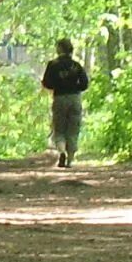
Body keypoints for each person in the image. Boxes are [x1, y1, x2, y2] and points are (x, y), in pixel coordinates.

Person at [40, 38, 89, 167]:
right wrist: (75, 87)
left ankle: (62, 152)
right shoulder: (76, 65)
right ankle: (70, 160)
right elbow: (85, 84)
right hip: (74, 98)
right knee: (73, 129)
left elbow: (46, 83)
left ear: (60, 49)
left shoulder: (53, 65)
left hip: (59, 98)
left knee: (59, 129)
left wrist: (58, 86)